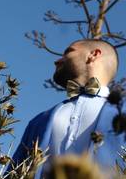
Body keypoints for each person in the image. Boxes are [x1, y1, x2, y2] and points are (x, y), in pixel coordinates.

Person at [8, 39, 124, 177]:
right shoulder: (37, 122)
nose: (56, 61)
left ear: (93, 55)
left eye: (68, 52)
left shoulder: (123, 113)